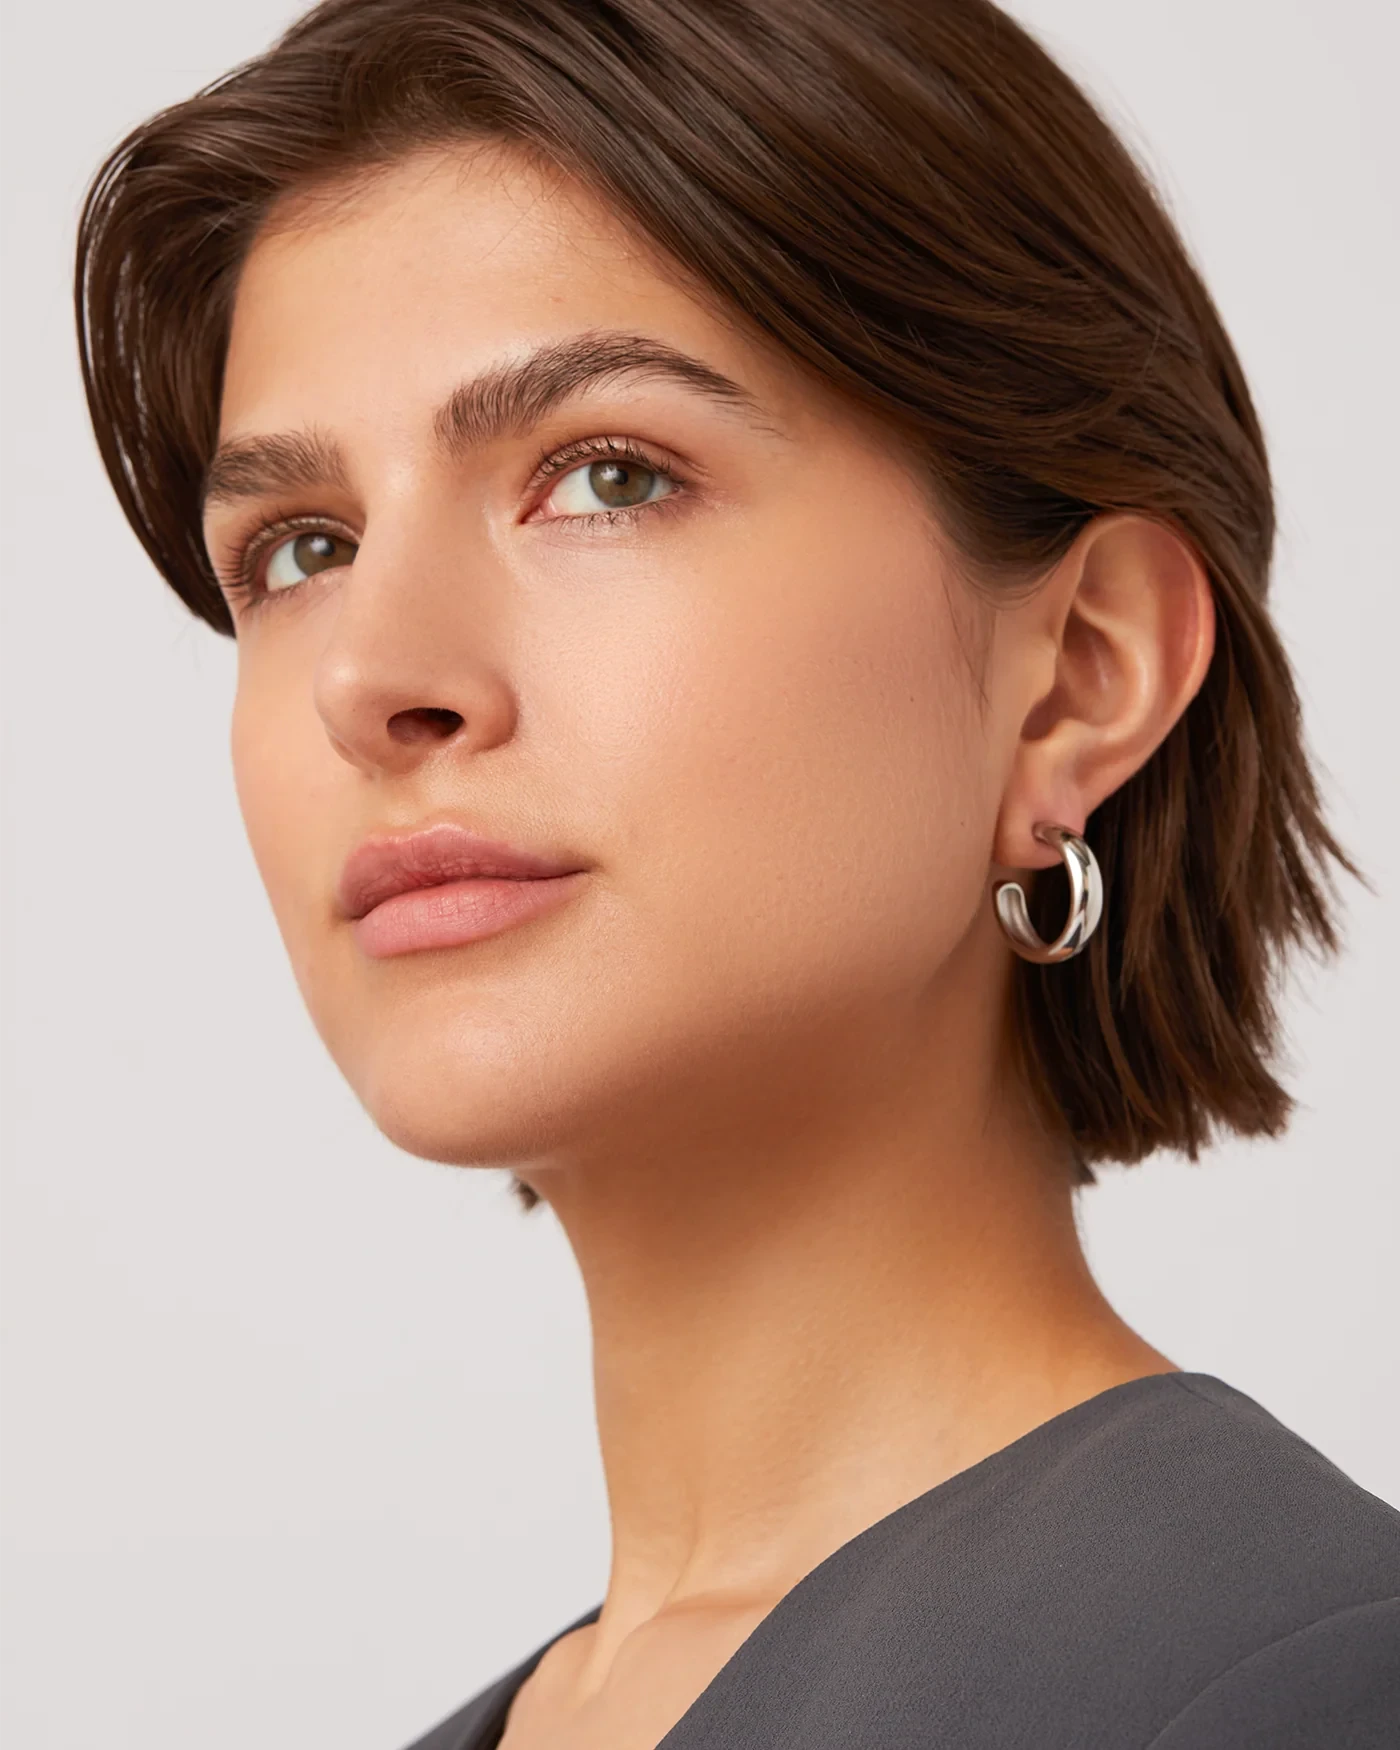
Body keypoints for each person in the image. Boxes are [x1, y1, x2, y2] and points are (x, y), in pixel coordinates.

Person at [73, 0, 1399, 1744]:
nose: (371, 676)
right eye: (301, 547)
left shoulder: (1303, 1678)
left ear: (1079, 675)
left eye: (609, 476)